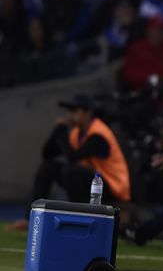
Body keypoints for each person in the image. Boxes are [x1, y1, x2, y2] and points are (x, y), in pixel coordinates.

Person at [7, 94, 133, 232]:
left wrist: (61, 131)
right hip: (92, 184)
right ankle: (29, 219)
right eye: (69, 111)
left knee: (71, 170)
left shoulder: (99, 134)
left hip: (112, 188)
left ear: (87, 112)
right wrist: (58, 129)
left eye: (74, 111)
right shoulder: (76, 133)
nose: (70, 115)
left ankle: (80, 220)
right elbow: (47, 153)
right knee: (48, 167)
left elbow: (72, 157)